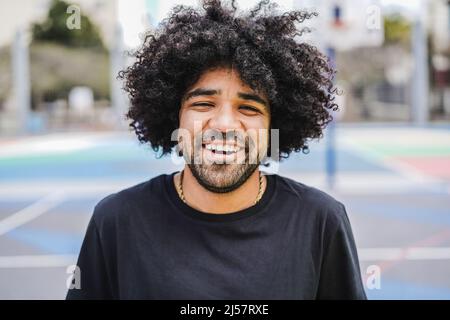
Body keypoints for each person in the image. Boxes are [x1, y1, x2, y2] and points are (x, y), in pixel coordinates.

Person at [66, 0, 367, 300]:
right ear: (175, 117)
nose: (224, 124)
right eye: (203, 104)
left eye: (248, 108)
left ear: (276, 124)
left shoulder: (320, 221)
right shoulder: (117, 220)